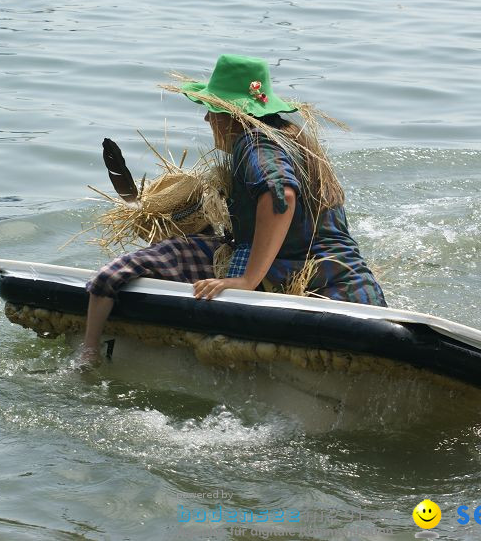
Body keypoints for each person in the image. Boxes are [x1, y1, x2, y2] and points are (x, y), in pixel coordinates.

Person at [80, 54, 386, 364]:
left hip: (311, 282)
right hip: (354, 286)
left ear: (232, 115)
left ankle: (88, 352)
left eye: (212, 111)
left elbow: (282, 196)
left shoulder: (254, 144)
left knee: (114, 274)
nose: (207, 119)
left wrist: (247, 280)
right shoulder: (292, 137)